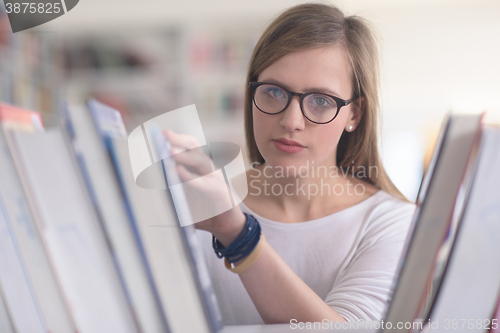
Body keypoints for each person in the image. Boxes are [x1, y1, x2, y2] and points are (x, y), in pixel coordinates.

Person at [164, 2, 416, 326]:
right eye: (273, 92)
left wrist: (237, 234)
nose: (291, 120)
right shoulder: (199, 205)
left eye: (321, 101)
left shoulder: (393, 223)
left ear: (354, 113)